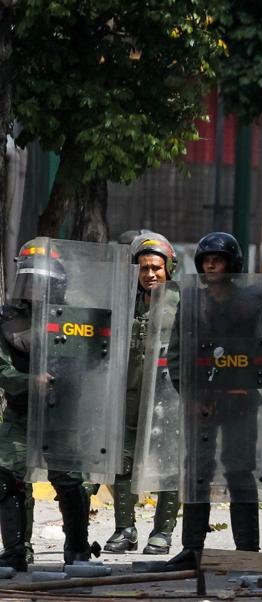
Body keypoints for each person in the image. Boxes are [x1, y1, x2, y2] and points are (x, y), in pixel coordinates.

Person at [167, 232, 262, 570]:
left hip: (240, 399)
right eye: (206, 259)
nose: (210, 264)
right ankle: (192, 549)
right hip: (202, 402)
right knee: (197, 472)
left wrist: (242, 388)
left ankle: (247, 553)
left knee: (240, 470)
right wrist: (191, 397)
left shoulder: (252, 301)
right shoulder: (192, 301)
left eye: (218, 259)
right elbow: (177, 355)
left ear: (232, 264)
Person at [0, 241, 99, 569]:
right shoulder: (8, 320)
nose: (35, 288)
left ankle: (78, 548)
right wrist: (30, 382)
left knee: (70, 479)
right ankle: (15, 551)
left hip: (62, 414)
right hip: (21, 412)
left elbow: (95, 363)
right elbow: (1, 369)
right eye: (30, 280)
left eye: (42, 281)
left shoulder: (74, 320)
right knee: (7, 475)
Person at [103, 233, 182, 555]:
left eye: (156, 268)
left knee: (169, 466)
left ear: (169, 269)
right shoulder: (124, 303)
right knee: (121, 464)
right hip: (127, 397)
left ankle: (162, 532)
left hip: (168, 399)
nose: (150, 274)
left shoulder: (182, 303)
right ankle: (125, 529)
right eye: (144, 267)